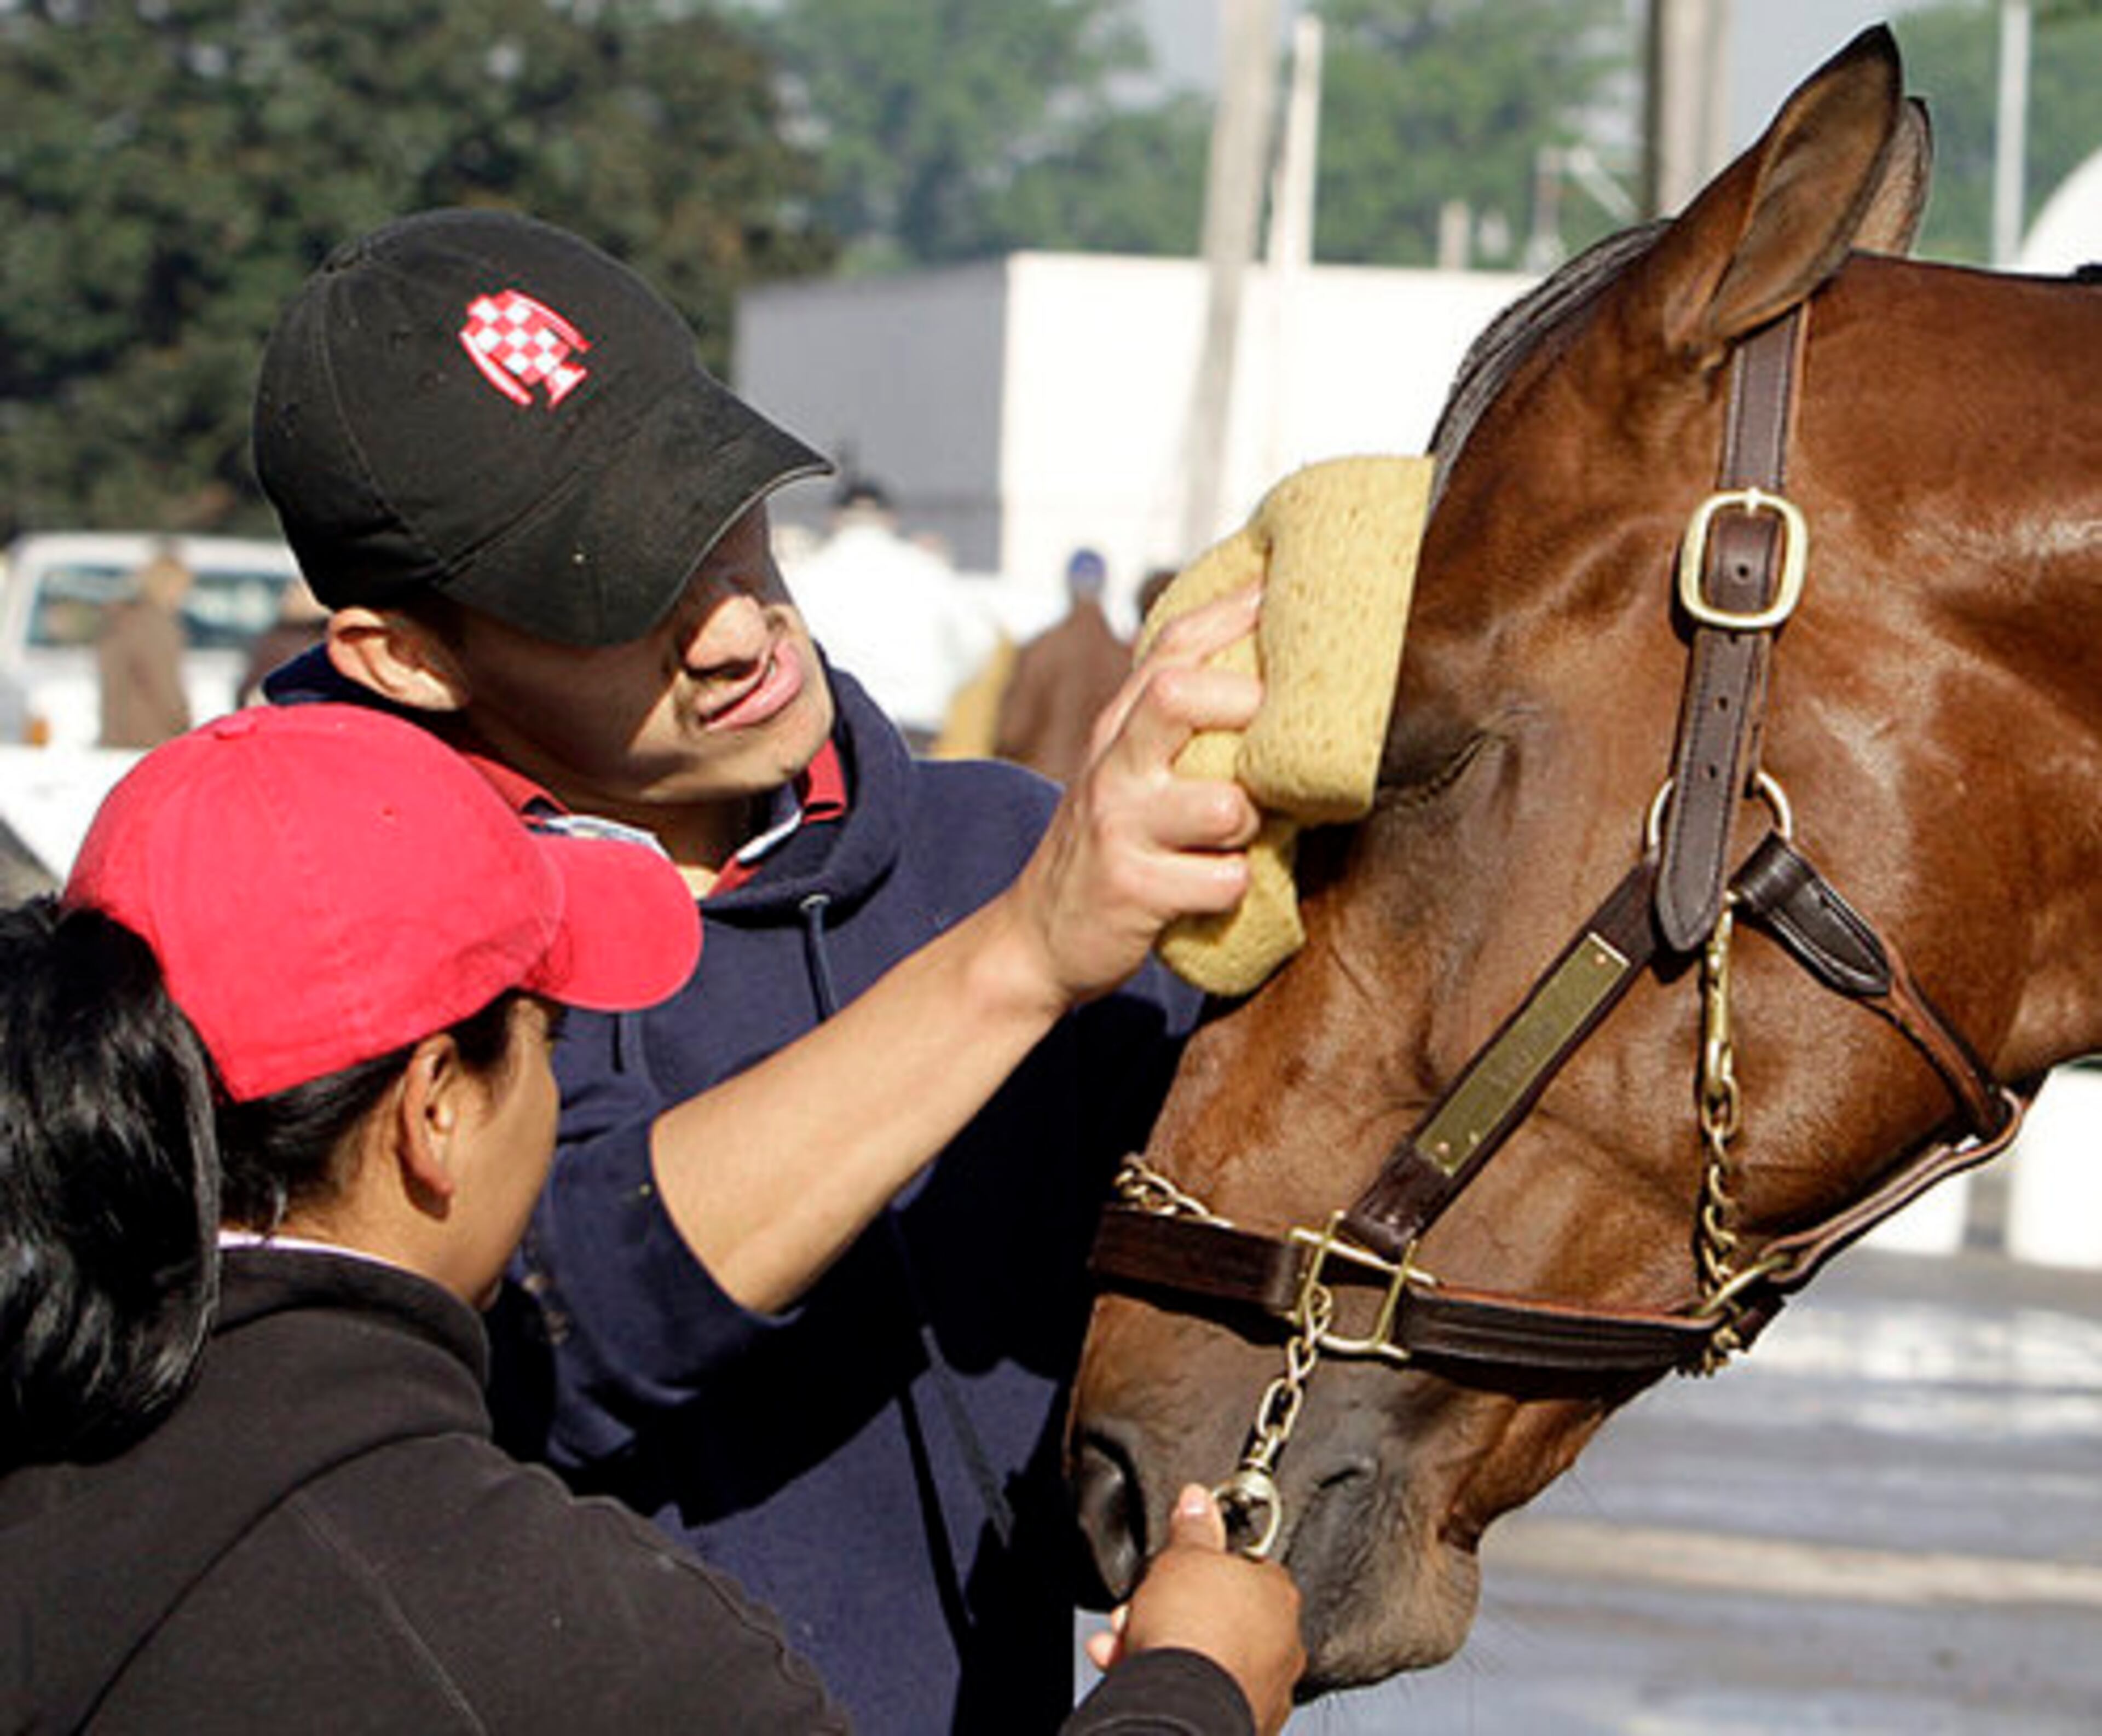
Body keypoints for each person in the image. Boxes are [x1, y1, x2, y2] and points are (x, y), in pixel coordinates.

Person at [249, 207, 1287, 1733]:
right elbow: (557, 1321)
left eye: (717, 508)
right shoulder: (307, 907)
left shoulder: (1002, 847)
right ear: (406, 656)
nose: (736, 622)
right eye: (608, 588)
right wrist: (1017, 960)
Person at [0, 703, 1301, 1734]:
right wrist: (1193, 1688)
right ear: (435, 1110)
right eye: (546, 1037)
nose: (562, 1087)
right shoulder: (567, 1646)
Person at [784, 474, 999, 751]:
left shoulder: (805, 575)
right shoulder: (927, 571)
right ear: (890, 519)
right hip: (916, 721)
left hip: (837, 724)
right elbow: (979, 640)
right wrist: (943, 684)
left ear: (835, 518)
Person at [995, 547, 1135, 784]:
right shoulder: (1124, 659)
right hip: (1100, 795)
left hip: (1043, 791)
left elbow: (1012, 733)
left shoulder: (1042, 650)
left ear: (1068, 585)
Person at [96, 540, 193, 748]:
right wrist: (186, 727)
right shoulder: (157, 628)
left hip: (116, 737)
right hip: (150, 740)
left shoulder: (121, 622)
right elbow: (167, 691)